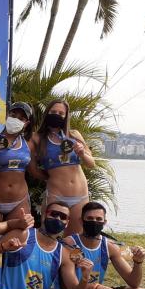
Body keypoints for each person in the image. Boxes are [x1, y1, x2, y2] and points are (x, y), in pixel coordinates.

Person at [32, 99, 96, 236]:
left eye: (61, 113)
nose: (57, 115)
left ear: (66, 116)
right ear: (47, 113)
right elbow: (31, 167)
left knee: (73, 240)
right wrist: (47, 178)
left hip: (80, 196)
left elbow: (91, 164)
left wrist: (82, 153)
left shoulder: (74, 135)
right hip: (56, 195)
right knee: (48, 237)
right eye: (53, 112)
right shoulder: (38, 138)